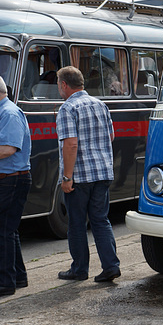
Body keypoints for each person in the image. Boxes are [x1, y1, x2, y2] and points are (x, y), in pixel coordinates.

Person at [55, 66, 121, 282]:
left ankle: (80, 269)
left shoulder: (68, 108)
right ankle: (111, 266)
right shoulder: (100, 104)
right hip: (102, 172)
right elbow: (110, 136)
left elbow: (70, 144)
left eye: (58, 84)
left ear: (64, 85)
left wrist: (67, 177)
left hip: (80, 176)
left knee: (76, 223)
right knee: (101, 220)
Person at [0, 74, 31, 297]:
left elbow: (7, 148)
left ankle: (3, 281)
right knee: (8, 230)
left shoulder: (8, 113)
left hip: (9, 180)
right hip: (5, 180)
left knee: (1, 230)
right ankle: (17, 276)